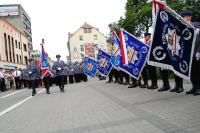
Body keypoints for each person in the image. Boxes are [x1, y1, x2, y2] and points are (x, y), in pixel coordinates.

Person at [181, 12, 200, 95]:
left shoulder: (196, 25)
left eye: (184, 17)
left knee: (197, 71)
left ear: (189, 17)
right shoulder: (182, 27)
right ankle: (194, 87)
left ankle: (198, 88)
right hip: (187, 54)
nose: (182, 19)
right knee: (191, 72)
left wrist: (199, 51)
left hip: (196, 52)